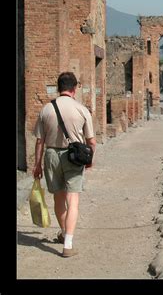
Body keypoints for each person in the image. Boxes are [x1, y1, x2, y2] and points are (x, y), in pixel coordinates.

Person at [33, 72, 96, 258]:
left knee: (59, 199)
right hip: (74, 156)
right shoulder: (81, 109)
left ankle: (63, 232)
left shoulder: (46, 109)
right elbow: (91, 141)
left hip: (51, 155)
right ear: (74, 88)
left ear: (58, 87)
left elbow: (39, 141)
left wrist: (37, 165)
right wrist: (90, 159)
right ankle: (67, 243)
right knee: (73, 200)